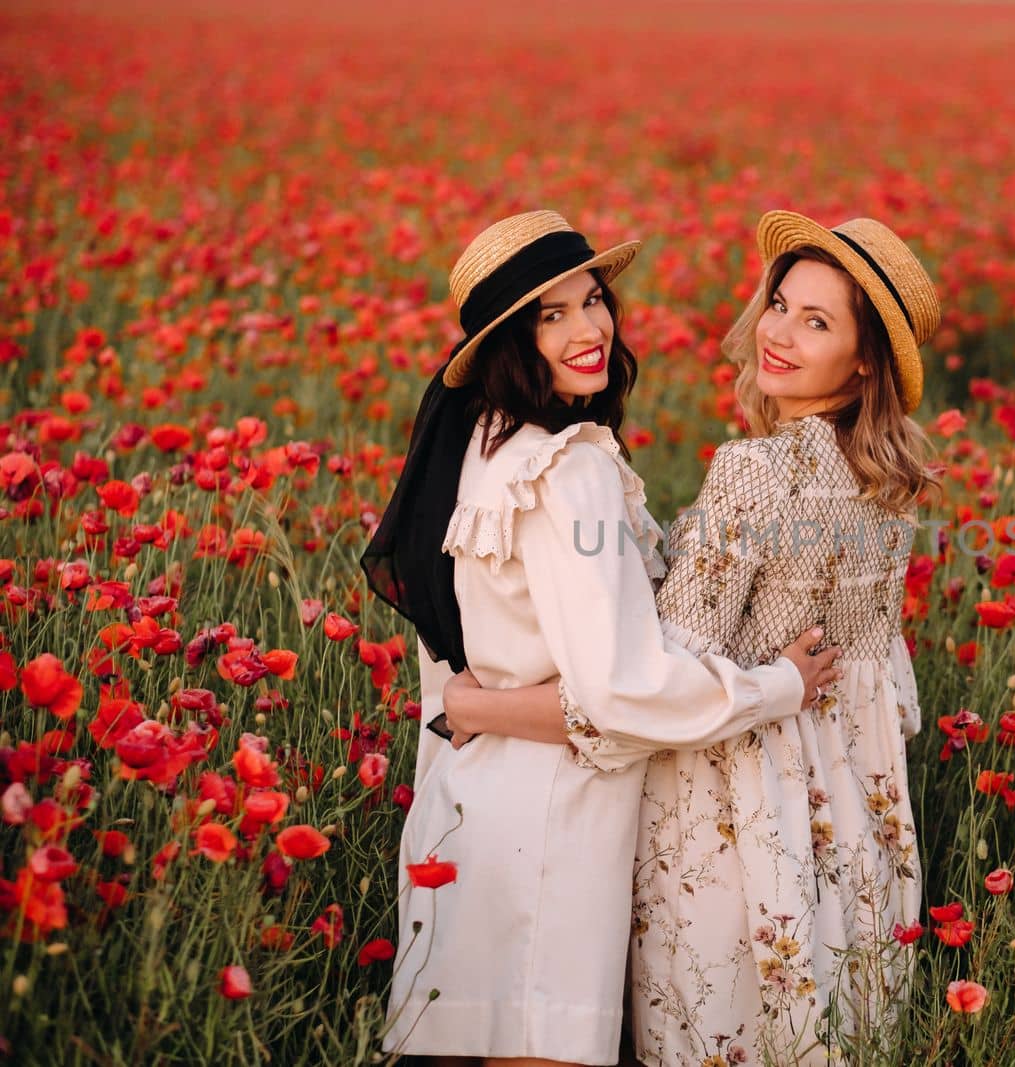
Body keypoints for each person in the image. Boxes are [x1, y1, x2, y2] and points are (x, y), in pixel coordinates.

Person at [446, 210, 940, 1065]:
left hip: (737, 808)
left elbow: (644, 681)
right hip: (860, 812)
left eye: (815, 321)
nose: (777, 333)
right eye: (780, 304)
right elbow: (882, 684)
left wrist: (479, 704)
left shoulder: (751, 473)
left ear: (863, 360)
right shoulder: (891, 484)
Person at [361, 209, 840, 1066]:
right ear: (511, 338)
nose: (588, 330)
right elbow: (621, 691)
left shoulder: (480, 446)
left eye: (592, 300)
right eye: (551, 315)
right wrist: (780, 686)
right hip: (555, 830)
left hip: (465, 814)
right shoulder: (569, 465)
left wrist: (471, 701)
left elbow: (452, 655)